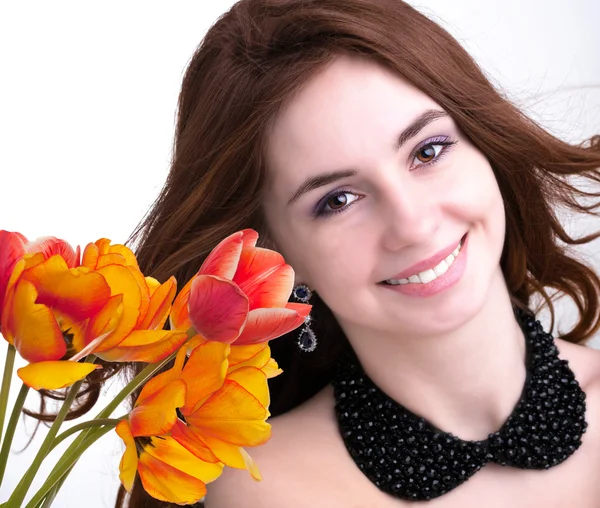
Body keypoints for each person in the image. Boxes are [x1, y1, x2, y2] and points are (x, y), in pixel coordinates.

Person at [116, 0, 600, 506]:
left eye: (428, 151)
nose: (412, 224)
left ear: (484, 143)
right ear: (275, 253)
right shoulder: (255, 491)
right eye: (337, 201)